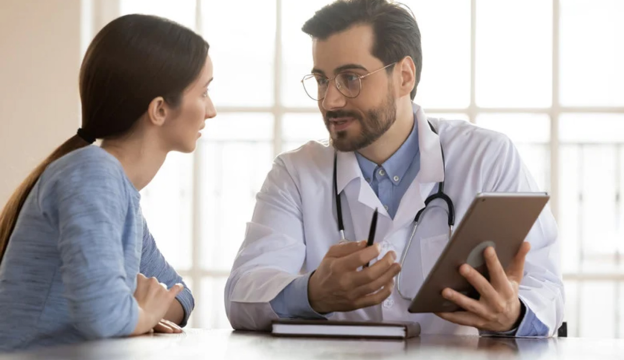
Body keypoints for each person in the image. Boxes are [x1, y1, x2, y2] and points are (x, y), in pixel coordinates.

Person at [225, 0, 563, 337]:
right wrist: (313, 293)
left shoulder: (486, 157)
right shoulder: (295, 173)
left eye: (350, 78)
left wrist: (512, 315)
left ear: (404, 76)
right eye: (321, 80)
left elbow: (545, 286)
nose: (330, 101)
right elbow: (243, 295)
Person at [0, 14, 216, 351]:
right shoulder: (91, 174)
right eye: (203, 93)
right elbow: (104, 317)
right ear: (159, 109)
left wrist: (138, 312)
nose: (211, 110)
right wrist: (138, 314)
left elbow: (181, 295)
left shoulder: (119, 192)